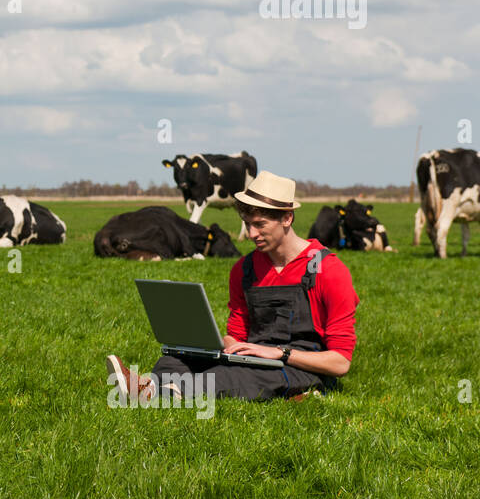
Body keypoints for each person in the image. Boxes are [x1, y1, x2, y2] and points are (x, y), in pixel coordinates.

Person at [107, 170, 358, 403]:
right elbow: (235, 332)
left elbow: (340, 363)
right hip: (252, 358)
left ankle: (157, 390)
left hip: (299, 367)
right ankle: (157, 385)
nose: (251, 233)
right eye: (247, 223)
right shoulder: (244, 269)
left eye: (260, 224)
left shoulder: (329, 271)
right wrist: (224, 345)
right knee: (175, 358)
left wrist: (280, 353)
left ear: (287, 217)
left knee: (239, 377)